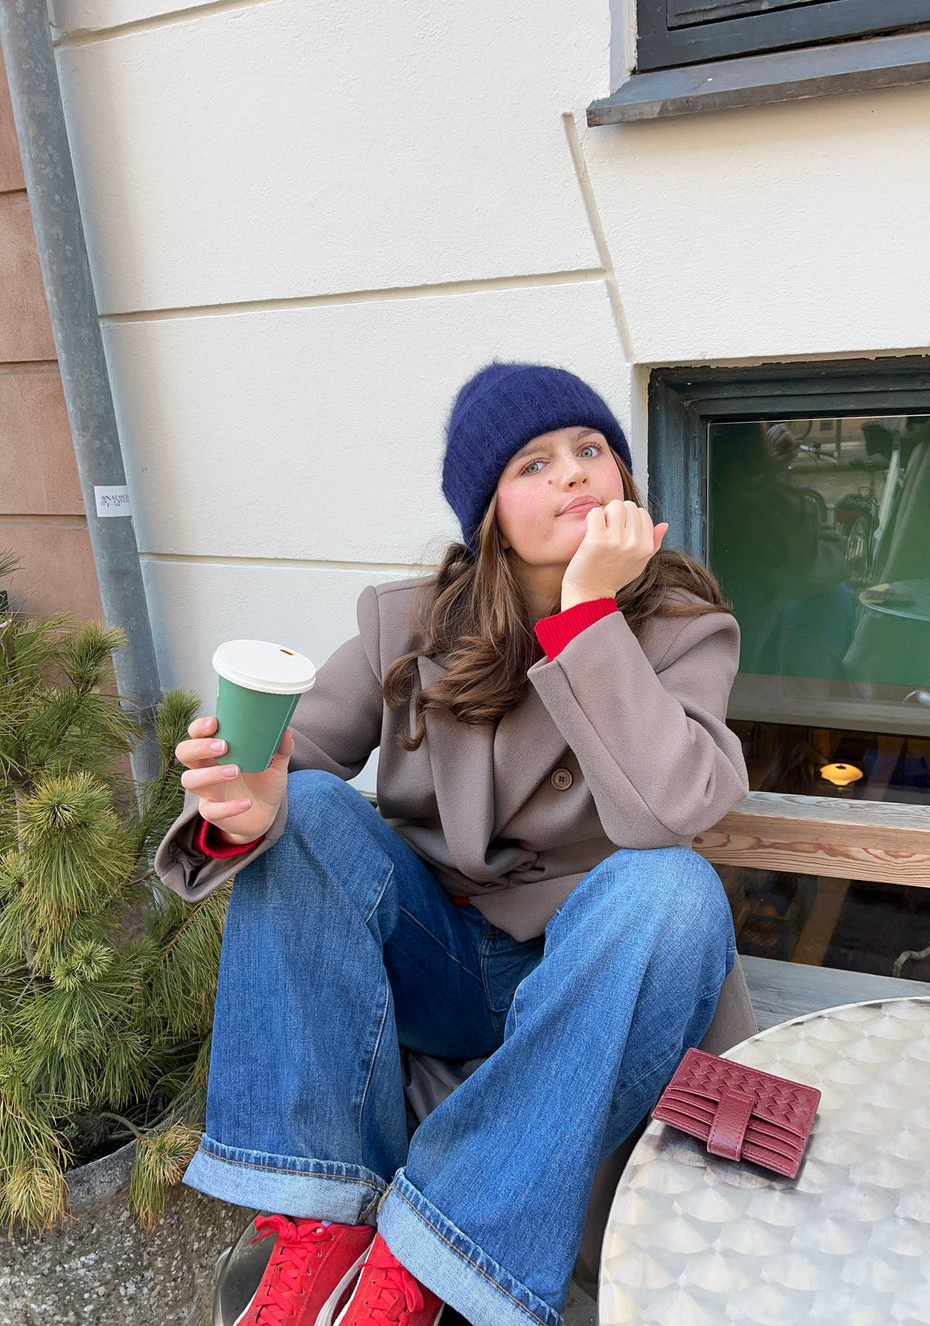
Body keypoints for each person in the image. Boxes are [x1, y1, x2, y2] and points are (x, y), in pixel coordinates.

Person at [156, 362, 750, 1326]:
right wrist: (245, 802)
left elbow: (669, 811)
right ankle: (318, 1224)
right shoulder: (407, 621)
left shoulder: (685, 627)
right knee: (308, 808)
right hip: (439, 961)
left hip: (590, 979)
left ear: (625, 480)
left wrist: (589, 614)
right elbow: (296, 768)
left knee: (674, 888)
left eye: (591, 450)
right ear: (488, 512)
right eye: (533, 463)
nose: (573, 472)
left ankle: (423, 1260)